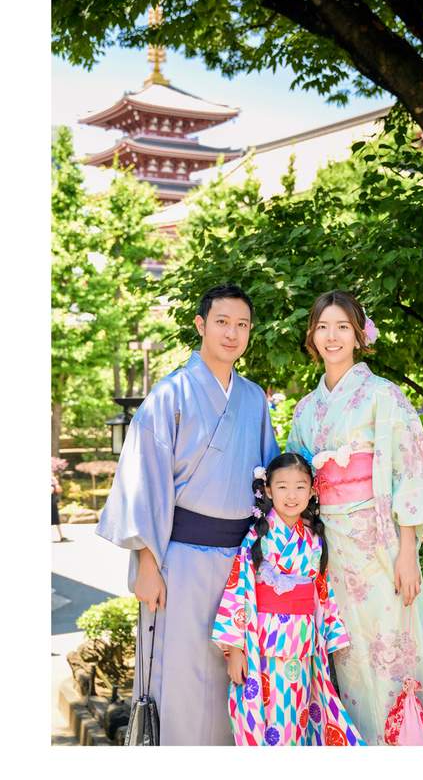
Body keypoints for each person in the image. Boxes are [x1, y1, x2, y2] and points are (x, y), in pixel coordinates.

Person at [96, 284, 280, 744]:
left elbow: (270, 484)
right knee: (179, 680)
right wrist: (146, 564)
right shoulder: (169, 395)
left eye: (242, 325)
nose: (232, 333)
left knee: (235, 680)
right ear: (201, 325)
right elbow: (145, 483)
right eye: (222, 322)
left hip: (241, 566)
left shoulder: (254, 399)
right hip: (179, 559)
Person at [286, 291, 423, 745]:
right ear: (311, 337)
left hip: (379, 544)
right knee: (348, 659)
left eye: (341, 327)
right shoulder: (306, 409)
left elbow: (409, 472)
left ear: (359, 335)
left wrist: (408, 551)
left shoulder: (383, 396)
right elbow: (296, 482)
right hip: (329, 551)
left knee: (394, 655)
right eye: (322, 327)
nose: (331, 336)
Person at [212, 453, 364, 745]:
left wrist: (331, 636)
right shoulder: (258, 537)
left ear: (312, 490)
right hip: (263, 648)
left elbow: (322, 591)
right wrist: (234, 650)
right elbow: (238, 589)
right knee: (267, 721)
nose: (291, 495)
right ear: (268, 490)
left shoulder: (314, 538)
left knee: (298, 719)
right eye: (282, 487)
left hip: (303, 644)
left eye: (300, 486)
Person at [52, 467, 69, 542]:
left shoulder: (53, 480)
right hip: (51, 501)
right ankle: (61, 536)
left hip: (52, 501)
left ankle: (61, 536)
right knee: (56, 519)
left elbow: (58, 490)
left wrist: (56, 484)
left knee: (56, 519)